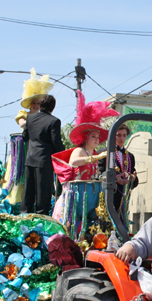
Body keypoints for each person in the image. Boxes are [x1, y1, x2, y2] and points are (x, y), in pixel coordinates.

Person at [51, 93, 119, 239]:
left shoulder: (92, 153)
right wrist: (96, 157)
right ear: (85, 137)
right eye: (93, 136)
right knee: (72, 226)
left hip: (90, 196)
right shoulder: (79, 150)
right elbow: (73, 162)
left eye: (97, 137)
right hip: (76, 197)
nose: (96, 139)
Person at [22, 95, 63, 215]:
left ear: (40, 105)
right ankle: (41, 216)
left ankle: (24, 214)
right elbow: (56, 142)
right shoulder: (54, 121)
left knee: (28, 190)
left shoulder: (30, 118)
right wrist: (64, 154)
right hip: (44, 161)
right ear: (53, 107)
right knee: (43, 191)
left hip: (30, 159)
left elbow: (25, 137)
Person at [109, 124, 139, 224]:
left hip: (124, 200)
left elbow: (135, 178)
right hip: (109, 198)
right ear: (113, 135)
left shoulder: (130, 156)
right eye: (118, 135)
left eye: (124, 135)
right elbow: (100, 175)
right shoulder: (106, 153)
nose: (121, 138)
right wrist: (115, 179)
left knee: (122, 225)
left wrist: (132, 179)